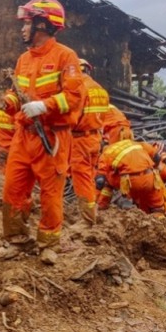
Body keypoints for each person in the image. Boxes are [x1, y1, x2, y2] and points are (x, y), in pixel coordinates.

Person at [0, 0, 85, 265]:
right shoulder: (23, 59)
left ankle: (48, 243)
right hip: (24, 137)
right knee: (12, 189)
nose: (22, 28)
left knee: (50, 193)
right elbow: (17, 95)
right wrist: (6, 102)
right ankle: (17, 240)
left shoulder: (65, 56)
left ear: (43, 25)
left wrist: (44, 106)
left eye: (27, 23)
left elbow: (74, 97)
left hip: (53, 138)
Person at [96, 136, 166, 217]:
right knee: (158, 209)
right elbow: (157, 157)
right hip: (151, 179)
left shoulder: (105, 154)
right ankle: (161, 222)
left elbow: (100, 180)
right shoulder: (133, 143)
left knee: (108, 181)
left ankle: (103, 206)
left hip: (131, 183)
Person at [69, 59, 108, 226]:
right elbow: (105, 117)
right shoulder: (101, 90)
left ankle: (87, 220)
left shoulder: (79, 89)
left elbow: (71, 118)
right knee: (90, 176)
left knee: (81, 178)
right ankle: (94, 212)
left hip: (81, 139)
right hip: (95, 138)